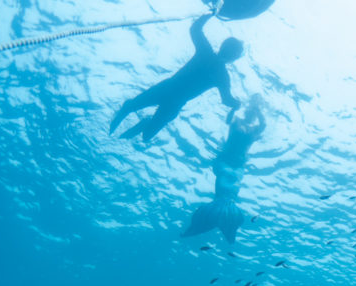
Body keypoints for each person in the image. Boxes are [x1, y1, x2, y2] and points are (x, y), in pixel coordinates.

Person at [110, 14, 242, 142]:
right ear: (234, 58)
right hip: (173, 99)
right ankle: (141, 121)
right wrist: (236, 104)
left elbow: (195, 28)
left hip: (168, 91)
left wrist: (212, 13)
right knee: (145, 133)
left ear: (223, 46)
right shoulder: (222, 75)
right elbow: (227, 100)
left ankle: (140, 119)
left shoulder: (208, 54)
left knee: (133, 112)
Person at [182, 93, 265, 242]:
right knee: (225, 181)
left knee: (232, 188)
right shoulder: (237, 121)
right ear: (246, 111)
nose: (252, 114)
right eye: (250, 111)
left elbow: (264, 125)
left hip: (239, 164)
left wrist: (258, 109)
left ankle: (222, 216)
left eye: (254, 113)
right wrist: (234, 108)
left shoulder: (255, 130)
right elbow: (228, 119)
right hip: (225, 160)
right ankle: (218, 215)